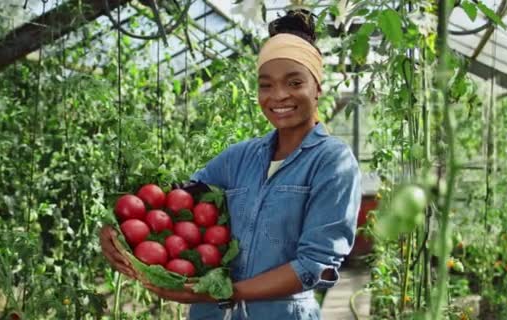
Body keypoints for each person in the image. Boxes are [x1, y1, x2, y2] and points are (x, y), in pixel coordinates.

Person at [100, 9, 362, 320]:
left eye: (294, 82)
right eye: (266, 85)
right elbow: (173, 204)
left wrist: (227, 292)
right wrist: (118, 232)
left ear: (317, 88)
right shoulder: (239, 157)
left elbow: (316, 265)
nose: (279, 95)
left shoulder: (333, 161)